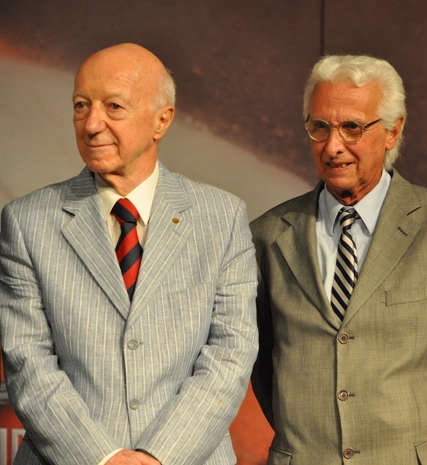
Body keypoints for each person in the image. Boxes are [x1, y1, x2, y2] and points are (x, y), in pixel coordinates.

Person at [250, 54, 427, 464]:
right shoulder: (268, 235)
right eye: (319, 127)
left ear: (394, 130)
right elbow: (265, 365)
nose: (333, 145)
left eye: (352, 127)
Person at [0, 43, 258, 465]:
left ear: (162, 120)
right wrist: (102, 458)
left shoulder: (222, 217)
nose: (92, 123)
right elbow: (27, 361)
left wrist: (160, 457)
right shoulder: (27, 222)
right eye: (81, 105)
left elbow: (231, 353)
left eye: (113, 106)